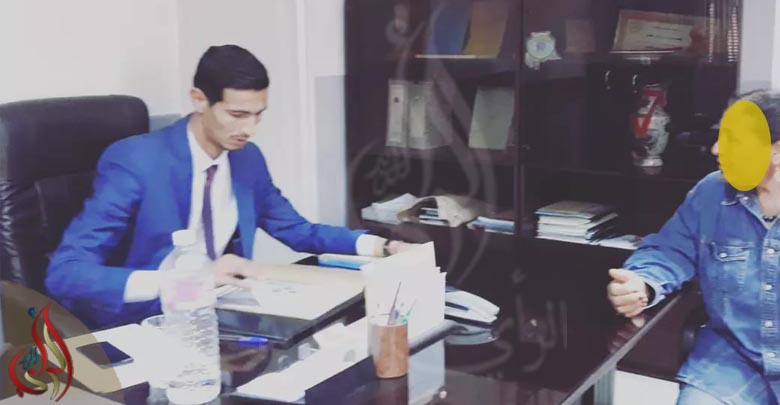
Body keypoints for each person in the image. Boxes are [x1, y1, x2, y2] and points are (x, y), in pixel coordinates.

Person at [46, 45, 412, 329]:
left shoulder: (246, 159)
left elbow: (298, 230)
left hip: (218, 314)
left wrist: (380, 246)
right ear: (199, 100)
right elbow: (66, 273)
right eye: (237, 115)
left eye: (258, 115)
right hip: (145, 323)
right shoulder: (137, 161)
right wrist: (181, 282)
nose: (249, 129)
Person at [608, 90, 780, 405]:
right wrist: (642, 283)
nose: (716, 150)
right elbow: (669, 250)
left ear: (776, 152)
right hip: (732, 362)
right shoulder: (711, 192)